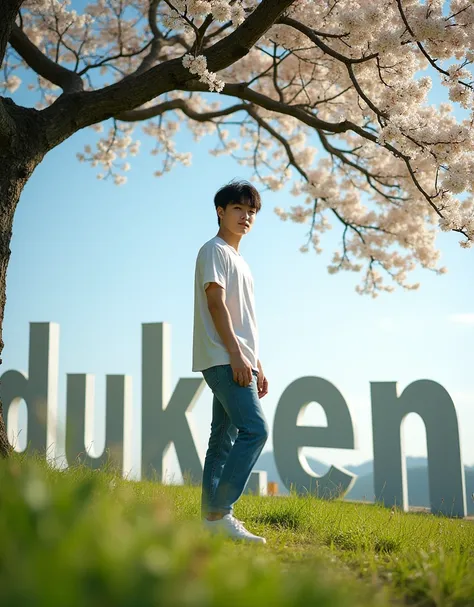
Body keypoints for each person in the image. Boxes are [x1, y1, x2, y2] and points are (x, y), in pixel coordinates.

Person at [192, 179, 269, 544]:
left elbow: (244, 318)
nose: (245, 217)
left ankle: (211, 523)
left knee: (223, 437)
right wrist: (238, 355)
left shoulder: (242, 261)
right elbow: (216, 304)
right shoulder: (215, 250)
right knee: (256, 430)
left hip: (239, 358)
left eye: (251, 211)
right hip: (224, 358)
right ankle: (221, 513)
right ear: (220, 211)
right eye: (238, 209)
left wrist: (258, 363)